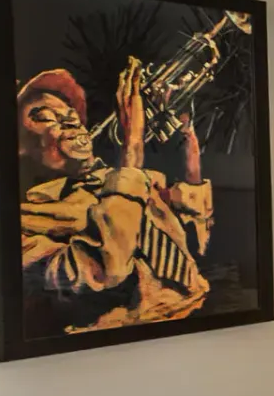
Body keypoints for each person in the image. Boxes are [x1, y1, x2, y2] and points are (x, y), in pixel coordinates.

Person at [16, 57, 214, 333]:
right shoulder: (24, 223)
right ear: (19, 148)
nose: (71, 119)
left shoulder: (123, 181)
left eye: (72, 114)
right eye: (45, 115)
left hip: (202, 312)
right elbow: (103, 272)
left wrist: (188, 149)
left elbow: (198, 243)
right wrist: (132, 150)